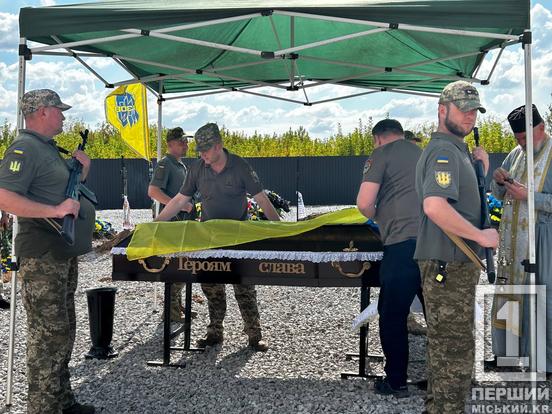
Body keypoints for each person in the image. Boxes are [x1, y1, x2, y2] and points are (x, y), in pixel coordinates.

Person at [0, 89, 96, 414]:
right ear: (42, 112)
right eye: (59, 110)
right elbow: (4, 198)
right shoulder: (25, 147)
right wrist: (56, 211)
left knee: (63, 330)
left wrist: (82, 170)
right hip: (40, 257)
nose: (64, 116)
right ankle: (41, 408)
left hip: (60, 253)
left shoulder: (48, 149)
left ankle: (62, 401)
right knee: (47, 336)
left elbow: (62, 189)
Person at [155, 122, 281, 351]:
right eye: (199, 151)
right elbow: (180, 200)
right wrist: (156, 224)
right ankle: (215, 333)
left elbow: (262, 199)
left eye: (205, 150)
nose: (201, 155)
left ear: (219, 146)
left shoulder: (240, 166)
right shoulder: (197, 168)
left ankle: (254, 335)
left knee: (244, 288)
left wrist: (281, 230)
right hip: (210, 238)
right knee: (211, 287)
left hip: (238, 238)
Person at [414, 80, 499, 414]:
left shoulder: (453, 148)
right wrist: (480, 237)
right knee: (455, 351)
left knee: (446, 347)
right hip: (448, 264)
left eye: (474, 111)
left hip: (451, 264)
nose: (469, 118)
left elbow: (461, 199)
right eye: (462, 110)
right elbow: (435, 206)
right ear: (442, 110)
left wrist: (482, 170)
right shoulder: (444, 150)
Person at [357, 119, 424, 397]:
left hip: (401, 246)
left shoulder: (381, 154)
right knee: (437, 315)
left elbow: (363, 203)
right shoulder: (425, 153)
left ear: (378, 139)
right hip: (433, 245)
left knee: (392, 314)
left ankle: (396, 380)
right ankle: (445, 380)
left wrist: (378, 216)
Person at [490, 104, 552, 378]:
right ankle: (508, 355)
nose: (522, 144)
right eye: (517, 139)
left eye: (526, 137)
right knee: (509, 296)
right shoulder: (515, 155)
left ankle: (545, 362)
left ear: (541, 127)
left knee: (542, 299)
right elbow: (499, 194)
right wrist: (498, 181)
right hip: (513, 244)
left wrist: (532, 198)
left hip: (542, 241)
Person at [148, 127, 195, 322]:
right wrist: (178, 205)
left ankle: (177, 306)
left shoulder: (180, 165)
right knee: (176, 267)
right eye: (182, 141)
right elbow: (153, 191)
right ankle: (172, 312)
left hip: (182, 224)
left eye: (186, 141)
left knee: (183, 265)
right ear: (171, 144)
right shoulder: (165, 164)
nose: (186, 144)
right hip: (172, 224)